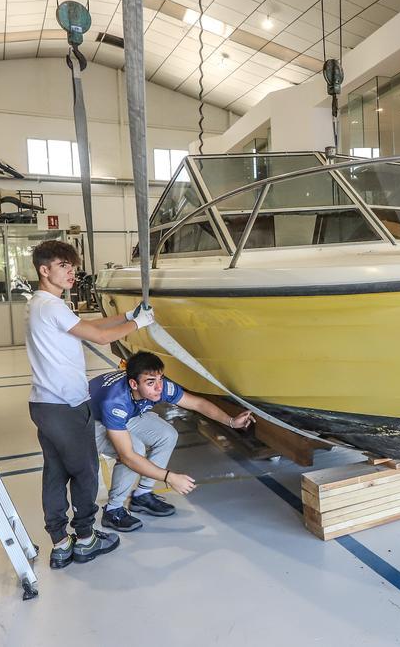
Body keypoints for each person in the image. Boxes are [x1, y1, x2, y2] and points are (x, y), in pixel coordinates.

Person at [26, 240, 155, 569]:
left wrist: (125, 315)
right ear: (45, 270)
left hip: (45, 405)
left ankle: (60, 542)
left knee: (55, 473)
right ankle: (85, 538)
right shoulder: (51, 306)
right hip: (67, 406)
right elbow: (98, 338)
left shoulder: (42, 304)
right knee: (85, 471)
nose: (71, 272)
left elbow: (89, 327)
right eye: (63, 266)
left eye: (72, 266)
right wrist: (139, 324)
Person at [90, 351, 253, 531]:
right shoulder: (115, 402)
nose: (159, 388)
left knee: (167, 434)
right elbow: (127, 456)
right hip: (90, 424)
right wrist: (170, 477)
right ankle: (113, 510)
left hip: (128, 414)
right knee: (134, 449)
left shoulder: (158, 386)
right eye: (151, 383)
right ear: (134, 384)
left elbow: (197, 404)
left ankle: (142, 496)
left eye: (160, 379)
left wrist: (231, 421)